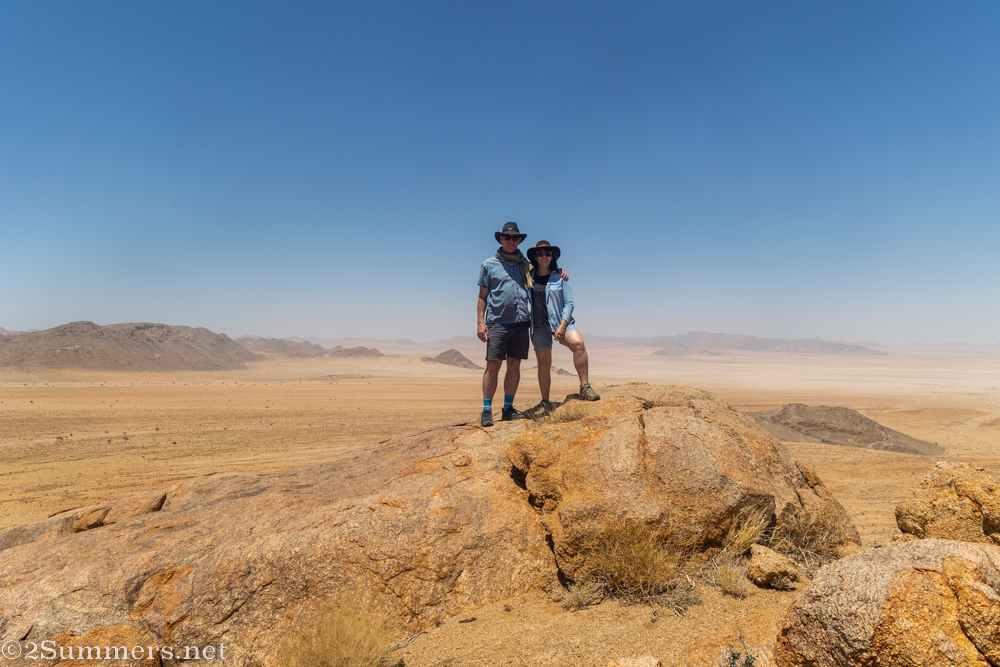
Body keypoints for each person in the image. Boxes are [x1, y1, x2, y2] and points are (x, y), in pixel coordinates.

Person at [476, 222, 568, 427]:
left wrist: (559, 270)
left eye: (514, 238)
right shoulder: (489, 265)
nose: (510, 241)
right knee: (493, 365)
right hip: (498, 322)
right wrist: (480, 323)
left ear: (519, 241)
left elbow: (545, 267)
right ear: (500, 239)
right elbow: (482, 296)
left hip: (521, 323)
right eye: (507, 237)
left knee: (514, 365)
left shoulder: (525, 264)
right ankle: (486, 410)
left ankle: (508, 409)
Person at [526, 240, 600, 417]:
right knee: (544, 365)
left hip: (560, 322)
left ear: (553, 256)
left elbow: (569, 303)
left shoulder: (560, 277)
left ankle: (585, 387)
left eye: (548, 253)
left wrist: (562, 325)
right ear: (535, 256)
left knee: (578, 345)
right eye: (540, 253)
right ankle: (545, 402)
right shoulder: (528, 275)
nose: (544, 256)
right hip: (538, 325)